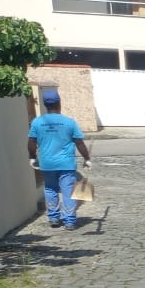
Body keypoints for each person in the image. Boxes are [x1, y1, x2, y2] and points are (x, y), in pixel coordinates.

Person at [27, 89, 91, 231]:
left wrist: (32, 157)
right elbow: (79, 142)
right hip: (66, 164)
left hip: (47, 163)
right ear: (59, 103)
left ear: (45, 104)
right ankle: (69, 221)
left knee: (50, 190)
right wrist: (87, 158)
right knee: (68, 191)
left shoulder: (37, 122)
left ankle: (54, 218)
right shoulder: (69, 122)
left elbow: (31, 141)